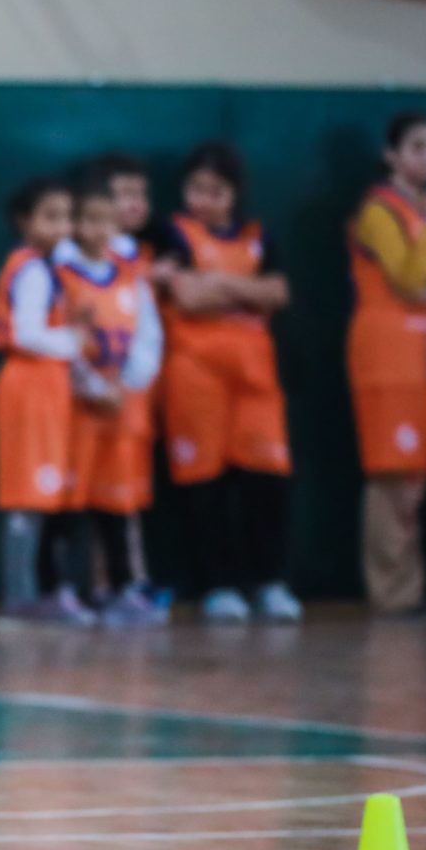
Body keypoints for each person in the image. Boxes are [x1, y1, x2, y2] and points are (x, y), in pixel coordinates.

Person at [151, 141, 299, 622]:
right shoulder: (174, 233)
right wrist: (247, 293)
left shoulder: (259, 236)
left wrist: (221, 285)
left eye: (216, 190)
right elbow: (189, 298)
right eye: (196, 188)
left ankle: (269, 582)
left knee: (265, 481)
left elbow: (279, 292)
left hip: (255, 374)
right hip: (195, 372)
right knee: (204, 485)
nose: (205, 199)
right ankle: (218, 585)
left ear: (234, 194)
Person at [346, 112, 426, 616]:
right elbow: (406, 275)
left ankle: (411, 590)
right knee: (392, 474)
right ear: (392, 155)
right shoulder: (380, 210)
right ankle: (392, 593)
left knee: (417, 479)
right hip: (388, 356)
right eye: (418, 147)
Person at [54, 171, 165, 626]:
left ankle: (121, 588)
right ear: (75, 226)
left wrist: (126, 383)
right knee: (69, 505)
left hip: (121, 406)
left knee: (117, 505)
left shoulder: (130, 278)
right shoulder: (62, 278)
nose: (101, 230)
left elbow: (148, 337)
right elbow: (63, 340)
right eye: (90, 221)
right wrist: (94, 386)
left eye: (108, 221)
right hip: (77, 409)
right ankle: (66, 589)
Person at [0, 175, 91, 625]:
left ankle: (27, 593)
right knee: (26, 494)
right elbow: (25, 333)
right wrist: (75, 340)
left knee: (37, 493)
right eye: (51, 217)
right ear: (24, 222)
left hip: (44, 384)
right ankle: (19, 597)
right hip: (29, 382)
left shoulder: (46, 269)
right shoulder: (31, 268)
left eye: (67, 217)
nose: (63, 227)